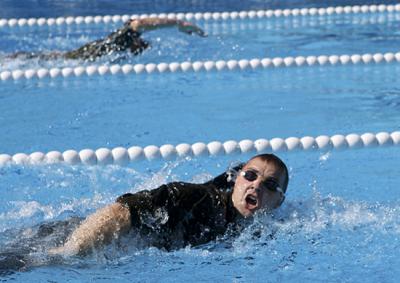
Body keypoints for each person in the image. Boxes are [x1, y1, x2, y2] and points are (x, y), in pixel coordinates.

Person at [49, 153, 289, 256]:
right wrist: (69, 251)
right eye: (250, 176)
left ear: (278, 201)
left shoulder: (269, 229)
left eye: (269, 185)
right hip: (70, 237)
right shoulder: (194, 198)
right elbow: (121, 211)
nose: (256, 186)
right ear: (236, 178)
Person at [7, 18, 206, 61]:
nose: (144, 45)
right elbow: (137, 23)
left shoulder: (119, 49)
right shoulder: (122, 39)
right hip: (68, 59)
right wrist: (178, 23)